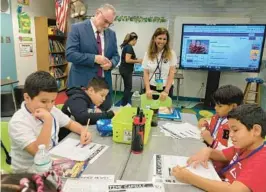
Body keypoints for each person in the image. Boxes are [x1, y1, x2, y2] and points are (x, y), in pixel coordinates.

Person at [8, 71, 92, 172]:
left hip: (52, 162)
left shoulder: (52, 110)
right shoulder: (18, 122)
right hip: (28, 173)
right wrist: (48, 120)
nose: (49, 106)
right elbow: (38, 152)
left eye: (53, 101)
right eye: (43, 101)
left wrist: (83, 131)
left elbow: (70, 123)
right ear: (27, 98)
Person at [172, 104, 266, 192]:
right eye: (230, 130)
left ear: (256, 130)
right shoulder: (244, 146)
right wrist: (207, 150)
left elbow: (233, 190)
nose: (231, 135)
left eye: (235, 130)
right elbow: (222, 155)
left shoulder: (262, 161)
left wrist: (189, 178)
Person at [66, 3, 120, 110]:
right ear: (97, 13)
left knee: (105, 118)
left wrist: (111, 63)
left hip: (104, 87)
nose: (106, 26)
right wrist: (94, 58)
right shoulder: (77, 29)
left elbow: (116, 55)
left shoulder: (111, 34)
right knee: (83, 118)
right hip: (82, 85)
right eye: (105, 21)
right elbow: (70, 54)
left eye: (110, 23)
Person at [198, 85, 244, 150]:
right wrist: (205, 124)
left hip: (217, 156)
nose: (215, 108)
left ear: (233, 106)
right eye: (215, 104)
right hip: (208, 148)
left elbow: (229, 152)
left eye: (220, 106)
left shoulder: (236, 128)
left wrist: (211, 141)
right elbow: (214, 130)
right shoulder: (219, 116)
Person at [142, 27, 177, 101]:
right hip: (151, 88)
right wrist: (147, 89)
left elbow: (171, 73)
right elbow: (145, 73)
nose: (162, 41)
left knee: (164, 111)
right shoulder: (147, 54)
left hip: (165, 88)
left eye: (164, 39)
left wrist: (166, 90)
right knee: (150, 110)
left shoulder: (171, 53)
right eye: (160, 38)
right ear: (154, 38)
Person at [119, 32, 142, 106]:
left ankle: (124, 103)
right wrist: (138, 61)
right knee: (128, 87)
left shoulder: (127, 46)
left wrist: (136, 59)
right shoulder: (129, 47)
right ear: (134, 39)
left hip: (124, 69)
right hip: (126, 70)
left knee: (127, 87)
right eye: (136, 40)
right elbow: (127, 60)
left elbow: (129, 58)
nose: (136, 42)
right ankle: (124, 104)